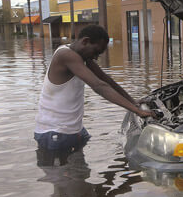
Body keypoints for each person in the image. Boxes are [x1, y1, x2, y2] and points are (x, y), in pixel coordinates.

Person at [34, 24, 153, 153]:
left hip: (73, 130)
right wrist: (137, 111)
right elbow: (99, 86)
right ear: (85, 41)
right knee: (62, 172)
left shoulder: (82, 57)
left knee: (82, 172)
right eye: (96, 52)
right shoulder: (66, 55)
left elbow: (105, 79)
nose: (95, 57)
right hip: (54, 133)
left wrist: (133, 101)